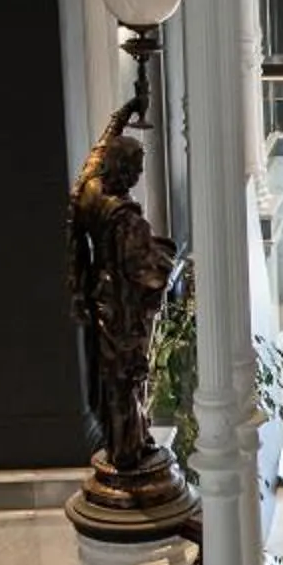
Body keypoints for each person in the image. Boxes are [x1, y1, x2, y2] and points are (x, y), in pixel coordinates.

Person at [72, 108, 180, 473]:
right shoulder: (126, 218)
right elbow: (145, 272)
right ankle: (127, 451)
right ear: (124, 169)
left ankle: (124, 443)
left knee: (112, 378)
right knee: (128, 377)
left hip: (99, 296)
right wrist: (167, 254)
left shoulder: (89, 192)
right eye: (135, 169)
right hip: (123, 307)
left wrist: (125, 113)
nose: (138, 175)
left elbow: (94, 155)